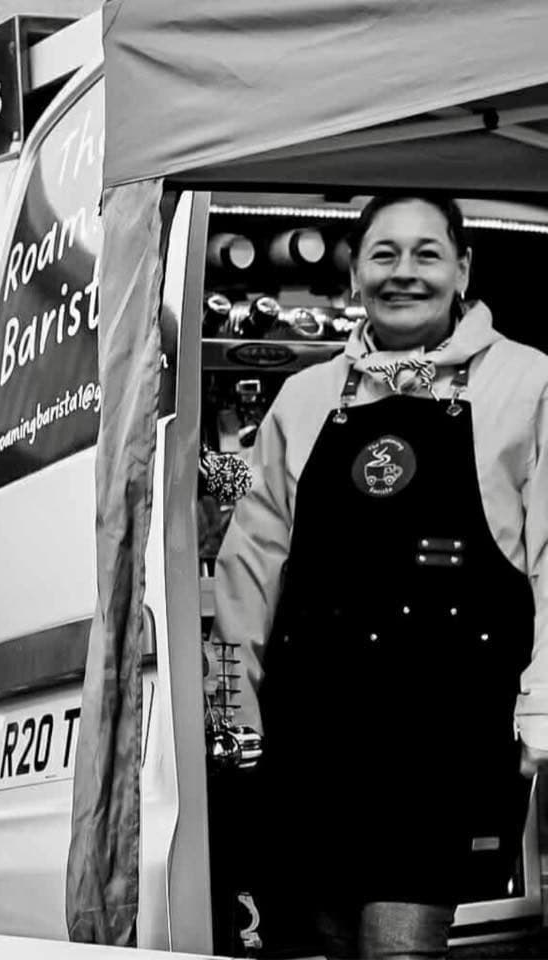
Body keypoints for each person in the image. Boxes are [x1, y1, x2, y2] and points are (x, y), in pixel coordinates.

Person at [213, 194, 548, 959]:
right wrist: (233, 714)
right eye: (384, 254)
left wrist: (542, 708)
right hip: (313, 741)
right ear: (355, 274)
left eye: (427, 253)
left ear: (464, 269)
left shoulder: (527, 382)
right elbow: (248, 567)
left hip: (445, 739)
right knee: (325, 945)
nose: (405, 273)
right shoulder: (305, 396)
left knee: (400, 946)